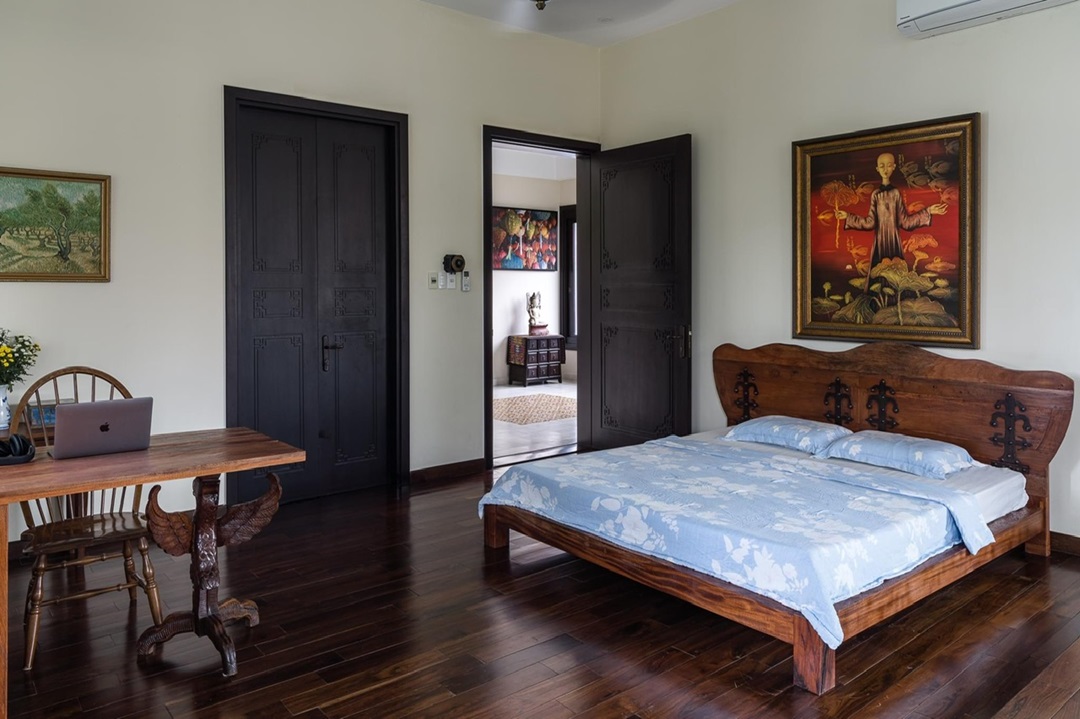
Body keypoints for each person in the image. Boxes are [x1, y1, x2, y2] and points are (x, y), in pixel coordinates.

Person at [835, 152, 947, 288]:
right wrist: (848, 217)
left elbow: (906, 222)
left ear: (894, 167)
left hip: (894, 241)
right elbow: (870, 222)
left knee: (895, 278)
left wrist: (928, 211)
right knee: (878, 279)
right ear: (877, 168)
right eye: (882, 166)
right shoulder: (875, 195)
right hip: (880, 243)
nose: (885, 169)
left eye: (889, 165)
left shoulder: (896, 193)